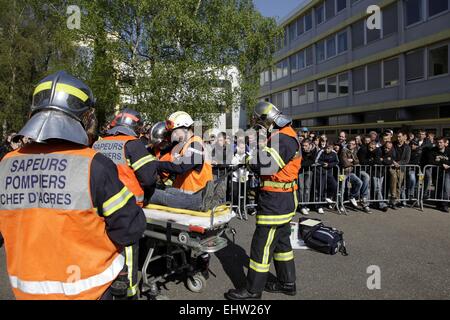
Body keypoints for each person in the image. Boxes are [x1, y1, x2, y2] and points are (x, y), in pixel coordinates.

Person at [0, 71, 146, 300]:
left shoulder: (5, 165)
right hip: (89, 292)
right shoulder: (93, 164)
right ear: (86, 117)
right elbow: (129, 228)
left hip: (26, 293)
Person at [225, 101, 301, 300]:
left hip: (275, 202)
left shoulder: (283, 139)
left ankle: (252, 290)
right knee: (282, 244)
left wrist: (249, 159)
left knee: (261, 246)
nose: (258, 127)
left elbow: (266, 166)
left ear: (266, 120)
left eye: (259, 123)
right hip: (282, 200)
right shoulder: (283, 135)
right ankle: (287, 283)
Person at [92, 108, 158, 299]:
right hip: (127, 211)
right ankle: (129, 294)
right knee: (127, 257)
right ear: (135, 127)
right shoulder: (133, 144)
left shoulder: (98, 144)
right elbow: (148, 178)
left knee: (106, 253)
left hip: (99, 210)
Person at [150, 111, 216, 211]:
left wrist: (155, 164)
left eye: (174, 131)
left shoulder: (196, 144)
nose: (173, 135)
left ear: (185, 129)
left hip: (196, 195)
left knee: (154, 195)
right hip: (185, 193)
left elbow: (180, 167)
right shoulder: (186, 144)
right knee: (157, 191)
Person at [340, 139, 371, 213]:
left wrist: (352, 161)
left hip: (350, 173)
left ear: (355, 145)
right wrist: (352, 162)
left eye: (352, 144)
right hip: (342, 173)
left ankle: (352, 196)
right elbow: (345, 163)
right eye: (349, 143)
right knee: (342, 188)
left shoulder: (354, 152)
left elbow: (357, 161)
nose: (350, 145)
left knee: (359, 182)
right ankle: (340, 204)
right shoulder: (344, 150)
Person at [426, 137, 450, 212]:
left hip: (447, 172)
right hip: (436, 172)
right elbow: (431, 161)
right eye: (438, 142)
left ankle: (445, 205)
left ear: (445, 143)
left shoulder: (449, 150)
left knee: (446, 187)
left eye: (441, 142)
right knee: (438, 188)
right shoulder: (433, 151)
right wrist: (442, 164)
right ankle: (439, 203)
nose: (439, 144)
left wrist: (448, 165)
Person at [315, 143, 339, 214]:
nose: (327, 150)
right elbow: (316, 160)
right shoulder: (321, 151)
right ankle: (319, 206)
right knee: (320, 189)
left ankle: (328, 197)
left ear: (332, 148)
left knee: (334, 185)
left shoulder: (334, 153)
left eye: (329, 149)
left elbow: (337, 161)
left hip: (329, 172)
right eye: (326, 148)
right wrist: (323, 164)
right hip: (320, 172)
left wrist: (329, 165)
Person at [389, 131, 411, 208]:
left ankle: (397, 200)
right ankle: (393, 198)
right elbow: (389, 155)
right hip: (392, 166)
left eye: (400, 136)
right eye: (397, 136)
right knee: (394, 180)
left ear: (404, 137)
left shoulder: (407, 147)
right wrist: (394, 162)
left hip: (401, 168)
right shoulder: (393, 144)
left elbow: (407, 160)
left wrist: (399, 163)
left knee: (399, 184)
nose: (398, 138)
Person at [298, 139, 317, 215]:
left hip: (309, 171)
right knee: (301, 188)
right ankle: (301, 206)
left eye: (306, 146)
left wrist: (302, 164)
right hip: (300, 172)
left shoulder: (313, 150)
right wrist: (302, 163)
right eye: (303, 145)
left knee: (307, 188)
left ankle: (305, 205)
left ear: (309, 145)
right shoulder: (300, 151)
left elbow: (312, 161)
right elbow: (299, 160)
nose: (304, 147)